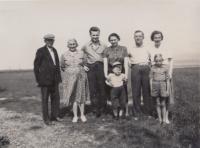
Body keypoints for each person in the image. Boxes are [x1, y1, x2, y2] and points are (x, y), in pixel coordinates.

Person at [34, 34, 62, 125]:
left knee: (56, 99)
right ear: (45, 41)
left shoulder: (55, 50)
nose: (50, 42)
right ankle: (46, 119)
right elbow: (36, 66)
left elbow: (57, 65)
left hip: (55, 80)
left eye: (51, 40)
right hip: (45, 81)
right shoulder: (40, 51)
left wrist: (59, 78)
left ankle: (55, 116)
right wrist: (39, 80)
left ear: (53, 41)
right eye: (48, 40)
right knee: (45, 99)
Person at [60, 39, 90, 123]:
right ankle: (75, 116)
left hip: (81, 76)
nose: (72, 46)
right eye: (70, 44)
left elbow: (85, 64)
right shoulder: (64, 55)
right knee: (73, 97)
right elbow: (62, 66)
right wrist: (70, 72)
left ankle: (82, 115)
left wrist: (83, 67)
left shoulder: (82, 53)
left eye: (74, 44)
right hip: (69, 78)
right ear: (68, 45)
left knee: (81, 96)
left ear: (76, 44)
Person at [81, 26, 107, 117]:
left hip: (101, 67)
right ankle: (95, 109)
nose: (95, 37)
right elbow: (81, 57)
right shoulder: (85, 46)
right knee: (93, 89)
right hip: (91, 68)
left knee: (102, 88)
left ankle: (103, 109)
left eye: (97, 35)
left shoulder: (104, 45)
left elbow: (106, 58)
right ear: (90, 35)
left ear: (99, 34)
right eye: (93, 35)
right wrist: (84, 65)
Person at [150, 30, 174, 124]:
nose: (157, 39)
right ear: (153, 39)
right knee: (156, 97)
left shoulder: (167, 48)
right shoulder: (151, 49)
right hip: (156, 73)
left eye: (159, 37)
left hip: (165, 72)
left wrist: (170, 73)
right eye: (155, 37)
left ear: (161, 38)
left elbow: (171, 61)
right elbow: (150, 62)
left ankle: (166, 117)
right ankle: (158, 116)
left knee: (166, 96)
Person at [103, 33, 129, 117]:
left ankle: (125, 111)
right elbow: (105, 64)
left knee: (123, 92)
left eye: (115, 39)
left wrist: (126, 75)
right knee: (112, 93)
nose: (113, 41)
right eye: (111, 40)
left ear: (118, 39)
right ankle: (114, 111)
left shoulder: (123, 49)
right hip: (111, 72)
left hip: (121, 72)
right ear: (109, 41)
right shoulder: (107, 50)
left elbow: (125, 62)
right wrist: (106, 75)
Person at [128, 30, 151, 119]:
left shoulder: (147, 48)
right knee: (136, 91)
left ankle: (147, 112)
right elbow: (127, 58)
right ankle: (136, 112)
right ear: (134, 38)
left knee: (146, 90)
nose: (138, 38)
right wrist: (130, 63)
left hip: (145, 68)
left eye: (140, 36)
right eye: (136, 36)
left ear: (143, 37)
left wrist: (148, 64)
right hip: (135, 68)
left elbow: (151, 58)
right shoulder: (131, 48)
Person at [150, 54, 170, 124]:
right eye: (157, 61)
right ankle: (160, 119)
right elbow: (151, 79)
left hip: (163, 86)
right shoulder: (152, 68)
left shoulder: (165, 68)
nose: (158, 62)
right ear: (154, 61)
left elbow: (167, 80)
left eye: (160, 61)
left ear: (162, 60)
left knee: (163, 104)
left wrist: (167, 90)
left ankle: (164, 120)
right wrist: (151, 88)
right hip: (155, 86)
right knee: (157, 103)